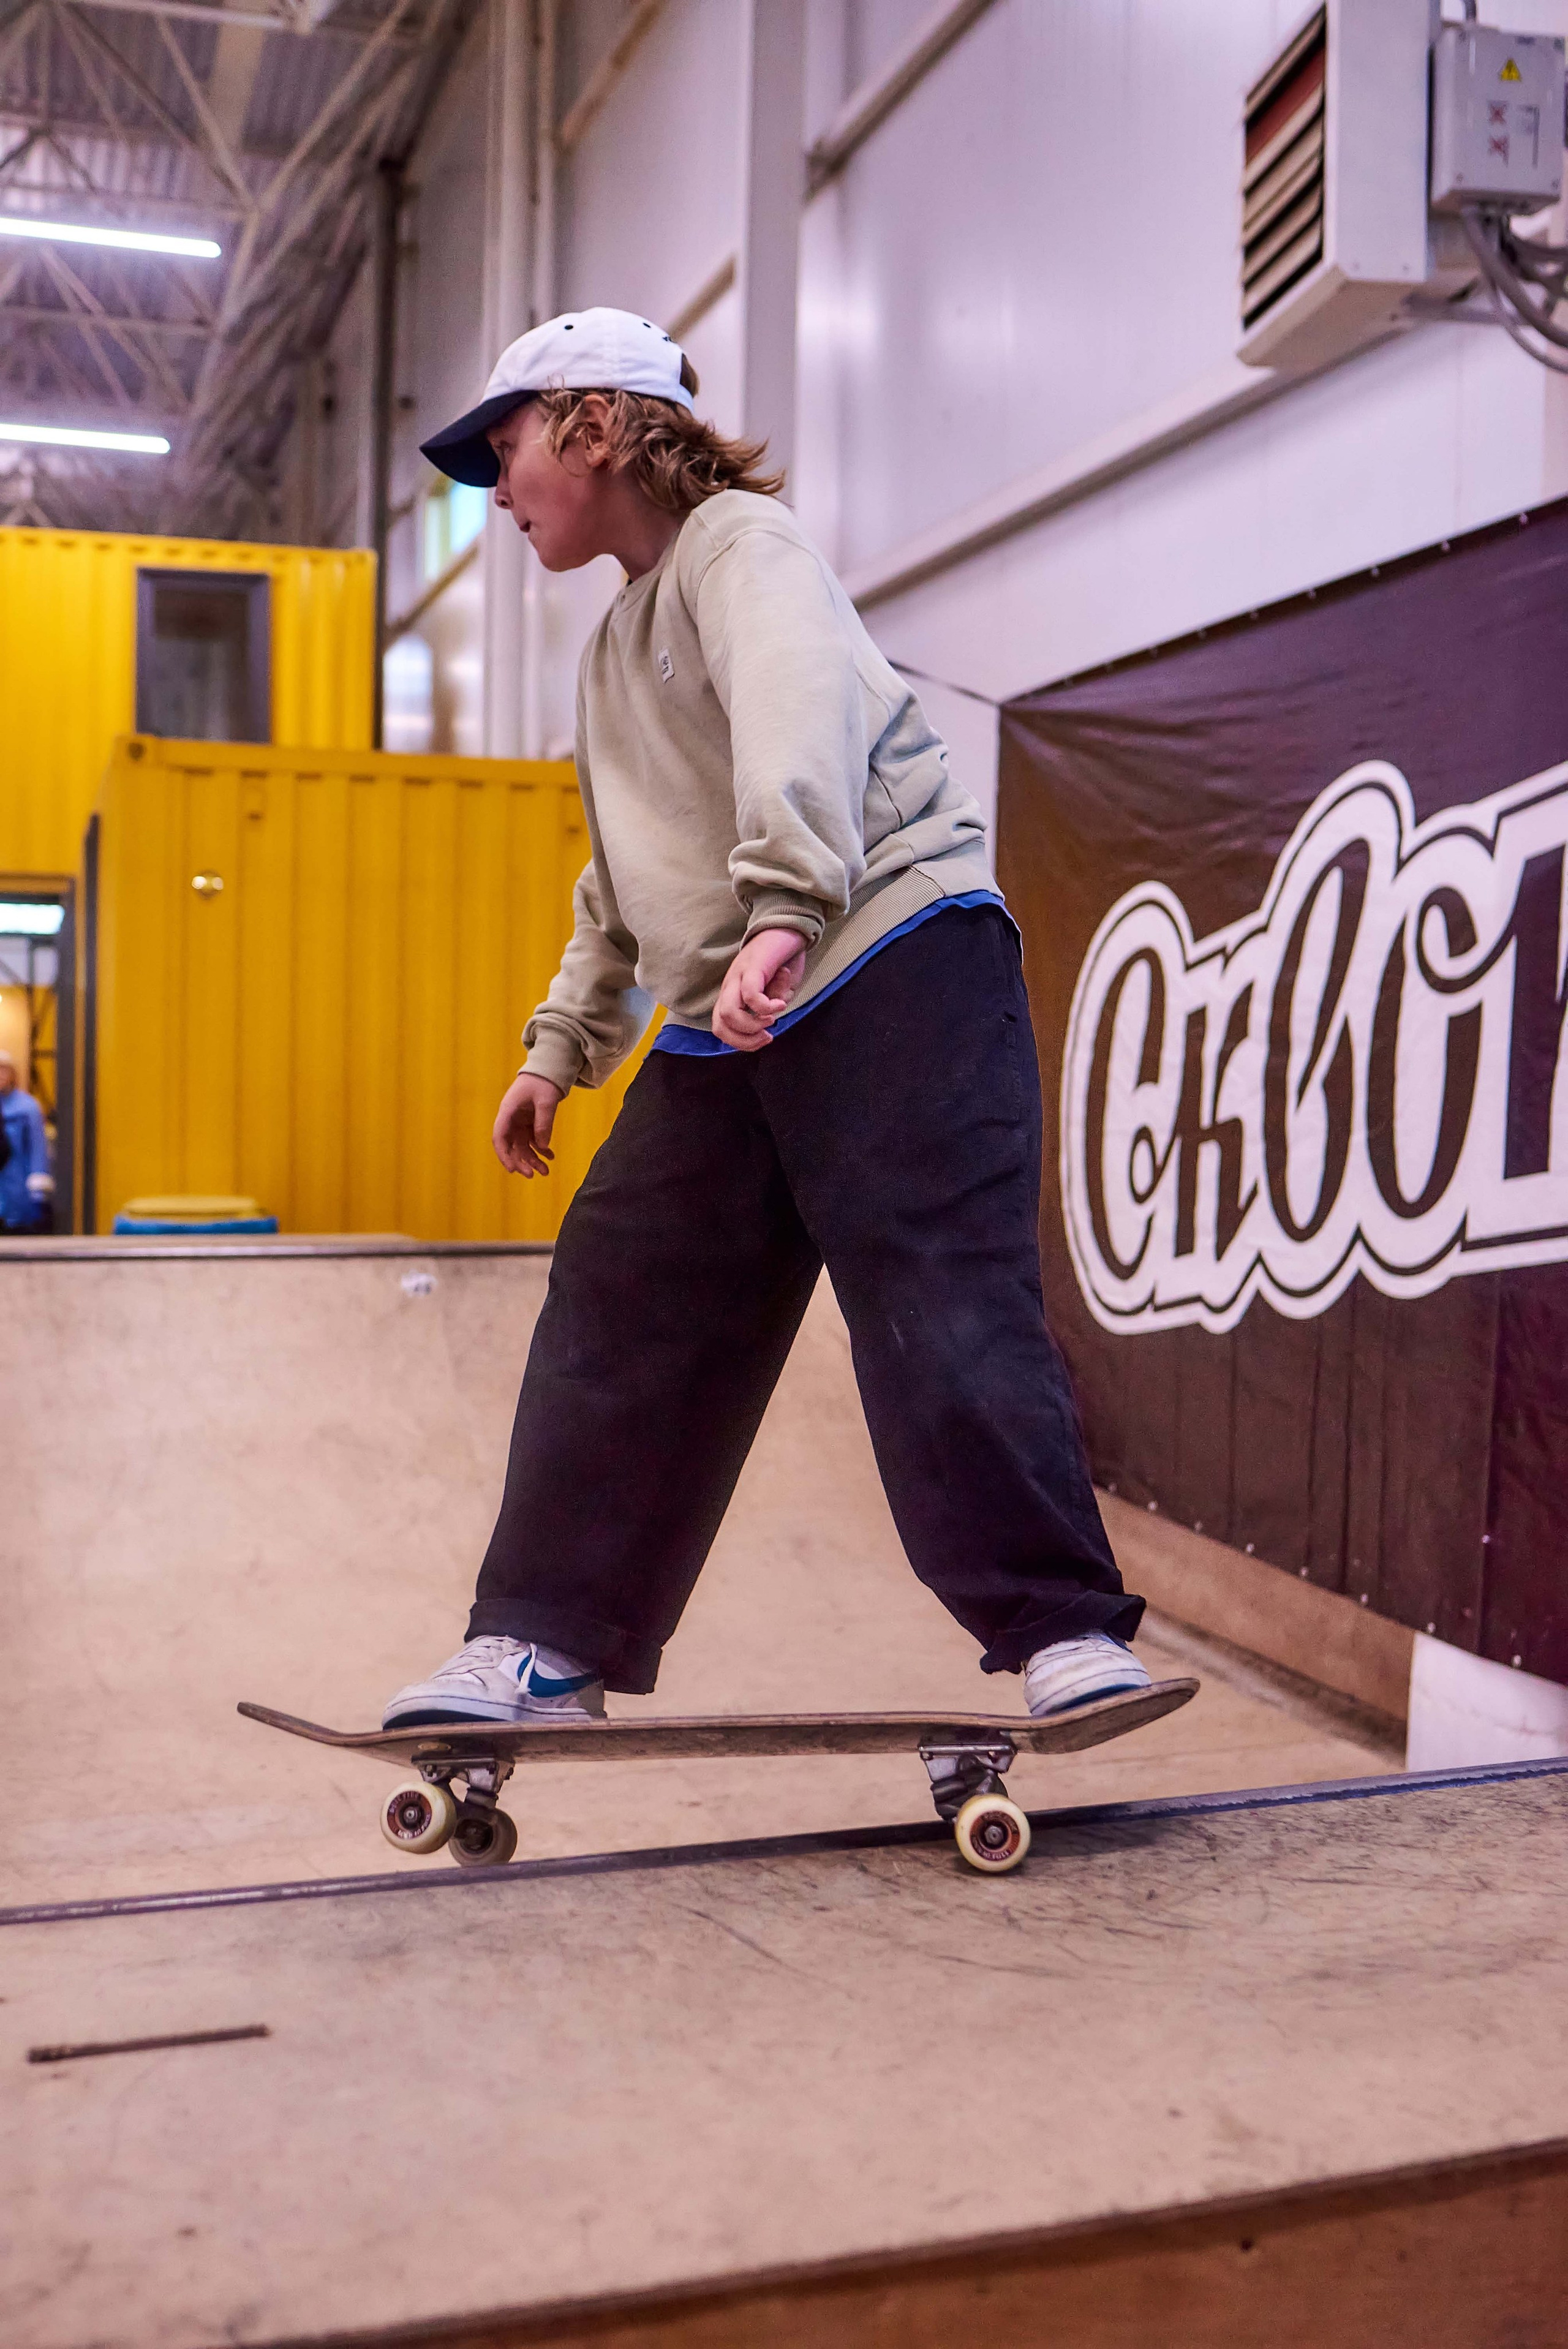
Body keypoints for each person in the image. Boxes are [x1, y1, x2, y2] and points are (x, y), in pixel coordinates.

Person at [385, 307, 1147, 1757]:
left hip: (886, 950)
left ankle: (1059, 1630)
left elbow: (798, 716)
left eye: (507, 449)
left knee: (930, 1291)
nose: (495, 491)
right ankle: (545, 1636)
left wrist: (791, 903)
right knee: (625, 1299)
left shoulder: (743, 548)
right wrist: (560, 1046)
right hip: (731, 1004)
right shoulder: (614, 646)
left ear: (596, 425)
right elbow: (621, 871)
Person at [0, 1050, 51, 1234]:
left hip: (18, 1181)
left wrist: (38, 1188)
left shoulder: (27, 1106)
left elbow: (38, 1147)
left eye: (4, 1070)